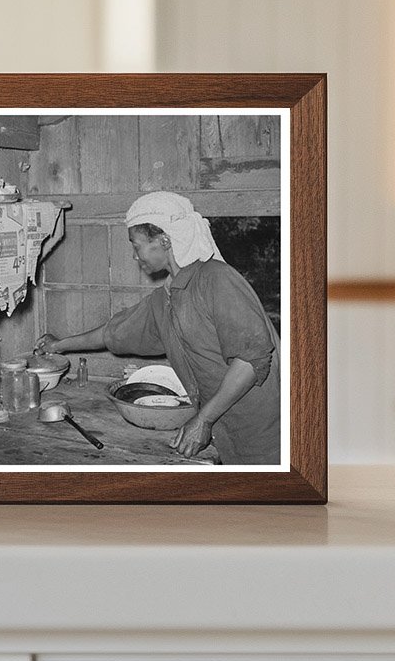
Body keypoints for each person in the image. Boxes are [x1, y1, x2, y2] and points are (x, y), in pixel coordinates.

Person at [35, 192, 280, 465]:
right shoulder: (165, 298)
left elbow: (250, 361)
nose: (133, 255)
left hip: (266, 434)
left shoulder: (217, 279)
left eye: (136, 245)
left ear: (164, 241)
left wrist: (203, 419)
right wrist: (58, 345)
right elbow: (113, 333)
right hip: (224, 431)